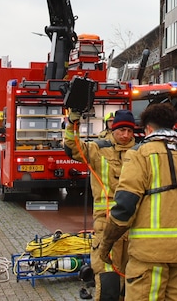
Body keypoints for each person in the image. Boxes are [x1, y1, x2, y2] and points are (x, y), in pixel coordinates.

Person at [97, 103, 177, 301]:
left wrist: (107, 243)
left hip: (149, 254)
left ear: (149, 129)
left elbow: (125, 206)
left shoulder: (139, 154)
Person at [65, 108, 137, 301]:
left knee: (131, 278)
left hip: (134, 224)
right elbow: (72, 147)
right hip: (106, 223)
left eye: (130, 131)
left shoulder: (141, 152)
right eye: (122, 130)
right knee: (107, 276)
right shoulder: (98, 149)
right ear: (113, 129)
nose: (126, 135)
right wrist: (72, 122)